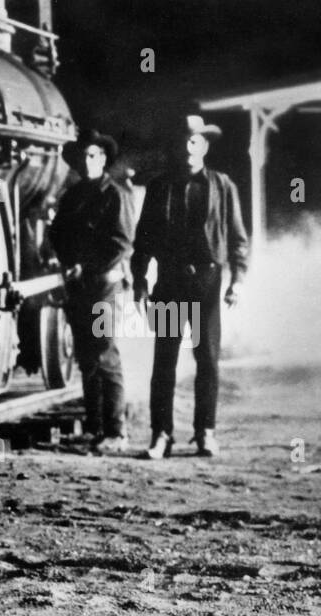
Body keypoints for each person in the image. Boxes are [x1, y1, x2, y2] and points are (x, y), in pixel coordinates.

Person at [131, 114, 250, 459]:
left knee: (208, 360)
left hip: (207, 282)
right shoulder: (159, 186)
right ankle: (161, 435)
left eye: (194, 141)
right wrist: (139, 280)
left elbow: (237, 238)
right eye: (182, 141)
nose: (187, 148)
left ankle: (205, 433)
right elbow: (143, 240)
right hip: (168, 280)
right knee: (164, 359)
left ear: (205, 146)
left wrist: (238, 280)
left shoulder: (222, 186)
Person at [49, 127, 136, 454]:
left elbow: (121, 243)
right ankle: (95, 427)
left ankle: (116, 431)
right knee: (87, 357)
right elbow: (57, 233)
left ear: (102, 158)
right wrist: (68, 261)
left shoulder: (115, 194)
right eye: (82, 156)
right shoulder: (72, 197)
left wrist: (85, 265)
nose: (87, 162)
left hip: (104, 286)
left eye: (92, 156)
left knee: (105, 353)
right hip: (79, 286)